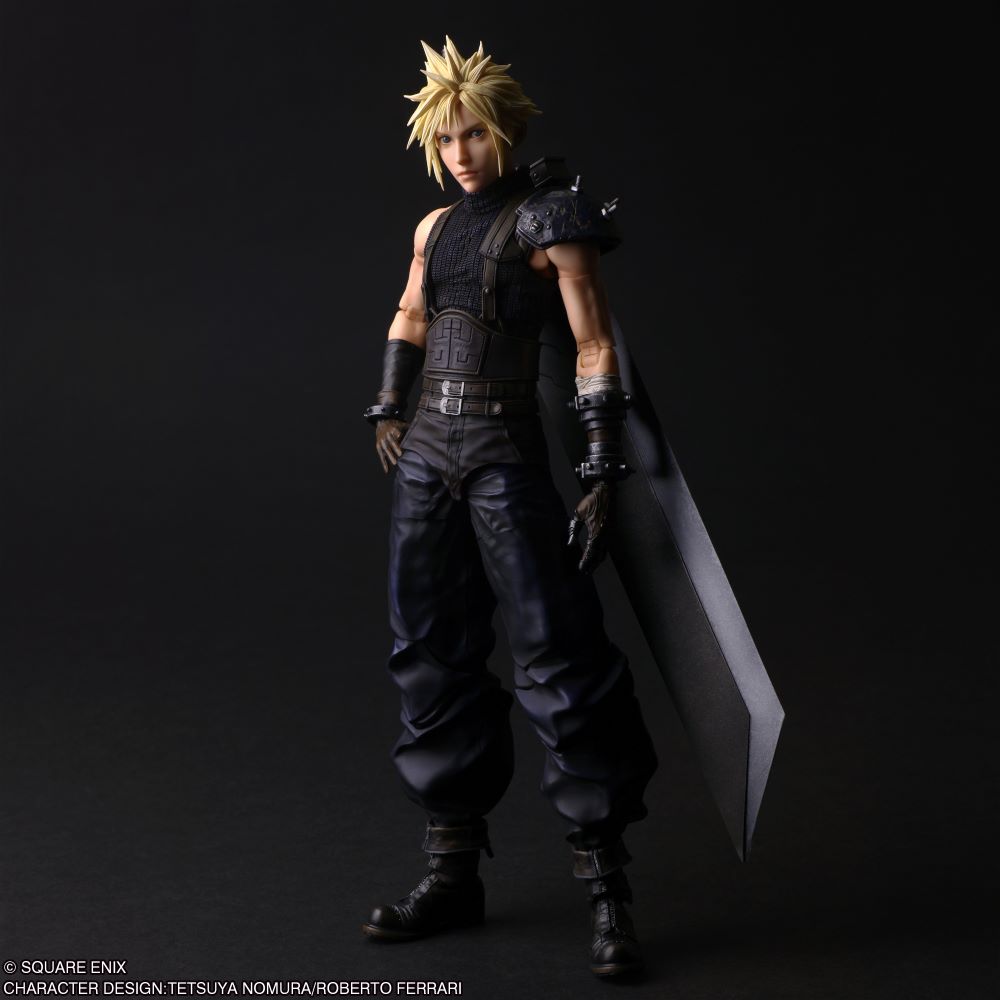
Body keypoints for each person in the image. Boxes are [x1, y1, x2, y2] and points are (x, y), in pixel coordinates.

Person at [361, 37, 657, 979]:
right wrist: (387, 404)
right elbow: (412, 313)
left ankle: (607, 888)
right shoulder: (434, 226)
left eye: (475, 134)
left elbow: (594, 343)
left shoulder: (551, 218)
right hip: (425, 454)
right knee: (429, 652)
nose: (460, 152)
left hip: (502, 451)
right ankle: (452, 872)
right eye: (446, 138)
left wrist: (602, 466)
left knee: (558, 655)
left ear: (507, 129)